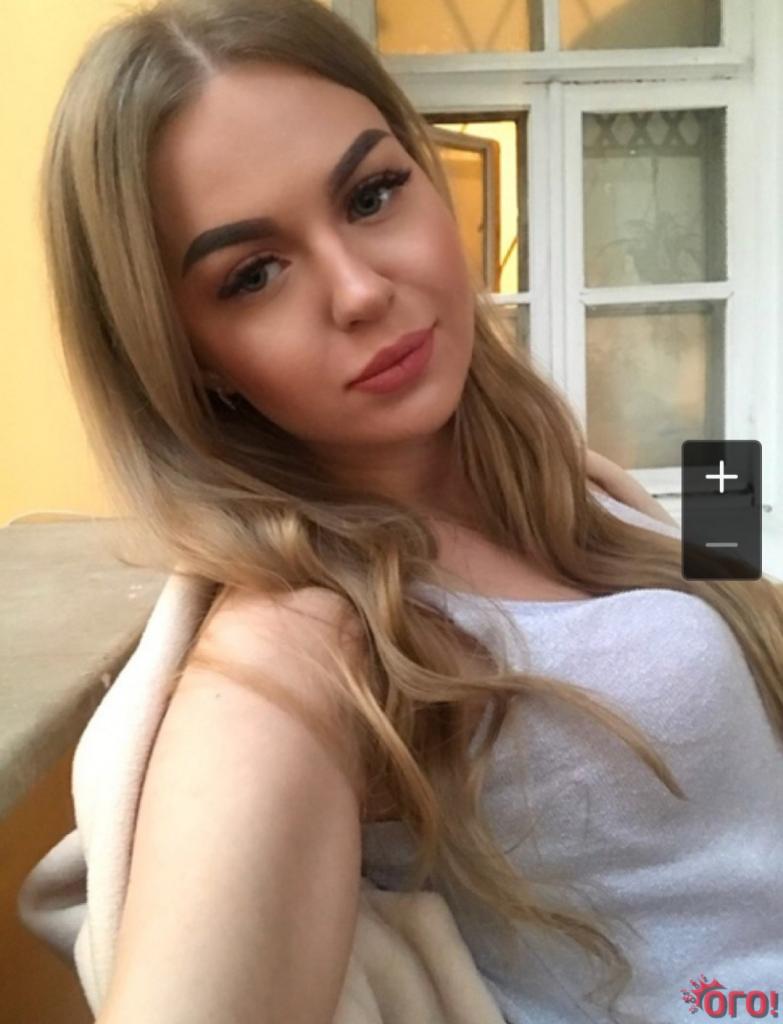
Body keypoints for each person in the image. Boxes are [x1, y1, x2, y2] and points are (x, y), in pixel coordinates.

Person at [37, 0, 783, 1021]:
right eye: (252, 274)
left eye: (372, 194)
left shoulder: (566, 476)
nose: (358, 291)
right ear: (187, 356)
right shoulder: (294, 647)